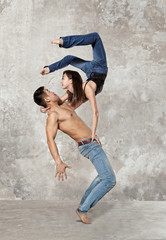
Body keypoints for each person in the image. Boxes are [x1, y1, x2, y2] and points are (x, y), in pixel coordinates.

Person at [33, 86, 116, 224]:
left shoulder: (65, 106)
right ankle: (83, 209)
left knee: (103, 176)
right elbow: (50, 139)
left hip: (92, 143)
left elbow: (77, 93)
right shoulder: (53, 115)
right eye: (49, 91)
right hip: (88, 146)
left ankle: (84, 204)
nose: (53, 91)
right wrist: (58, 162)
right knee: (109, 180)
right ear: (47, 99)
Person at [40, 32, 108, 143]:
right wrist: (43, 108)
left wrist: (93, 133)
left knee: (94, 38)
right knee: (72, 56)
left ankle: (62, 45)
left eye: (63, 78)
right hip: (96, 70)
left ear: (71, 80)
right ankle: (52, 63)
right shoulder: (71, 92)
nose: (61, 81)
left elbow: (95, 112)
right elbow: (58, 102)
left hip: (98, 68)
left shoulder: (87, 88)